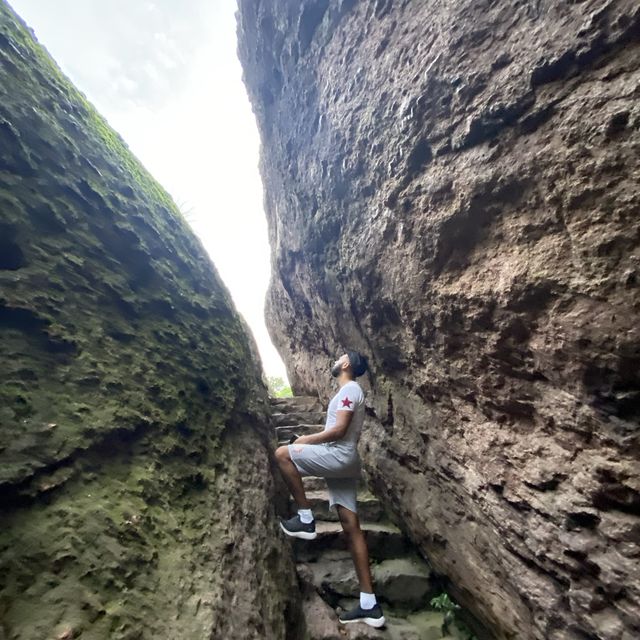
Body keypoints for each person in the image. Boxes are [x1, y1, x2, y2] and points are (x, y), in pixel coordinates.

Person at [274, 350, 385, 629]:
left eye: (340, 357)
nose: (335, 359)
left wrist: (304, 440)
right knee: (351, 525)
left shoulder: (350, 389)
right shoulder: (349, 391)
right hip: (346, 460)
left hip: (339, 454)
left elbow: (339, 430)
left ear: (346, 364)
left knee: (282, 454)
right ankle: (370, 605)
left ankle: (306, 519)